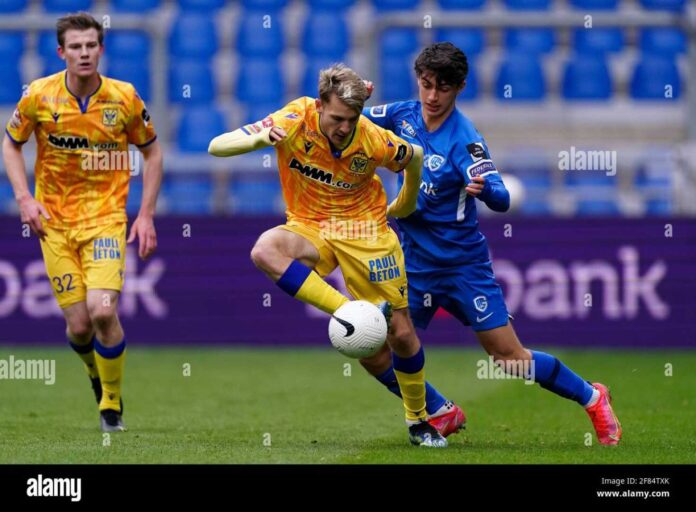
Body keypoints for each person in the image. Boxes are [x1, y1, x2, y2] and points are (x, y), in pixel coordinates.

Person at [362, 42, 622, 445]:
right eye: (426, 85)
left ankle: (592, 396)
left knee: (509, 360)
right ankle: (438, 410)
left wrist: (486, 190)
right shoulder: (403, 114)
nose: (432, 96)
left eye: (443, 88)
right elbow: (351, 117)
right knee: (372, 346)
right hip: (412, 263)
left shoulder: (465, 140)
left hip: (462, 266)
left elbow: (501, 196)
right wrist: (352, 94)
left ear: (459, 87)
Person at [209, 63, 457, 447]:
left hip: (366, 231)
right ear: (320, 104)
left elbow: (415, 157)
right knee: (265, 250)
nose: (345, 127)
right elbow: (216, 146)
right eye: (338, 118)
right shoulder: (293, 118)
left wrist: (405, 204)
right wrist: (257, 139)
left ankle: (420, 420)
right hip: (311, 225)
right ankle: (350, 313)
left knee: (399, 334)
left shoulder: (371, 138)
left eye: (352, 118)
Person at [2, 13, 162, 432]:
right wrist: (23, 199)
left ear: (100, 49)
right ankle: (96, 376)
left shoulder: (124, 98)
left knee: (102, 310)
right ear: (62, 53)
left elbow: (152, 152)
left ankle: (111, 405)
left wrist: (145, 215)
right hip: (53, 222)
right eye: (76, 47)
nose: (84, 53)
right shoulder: (39, 96)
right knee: (78, 326)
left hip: (106, 218)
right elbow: (11, 144)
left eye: (91, 45)